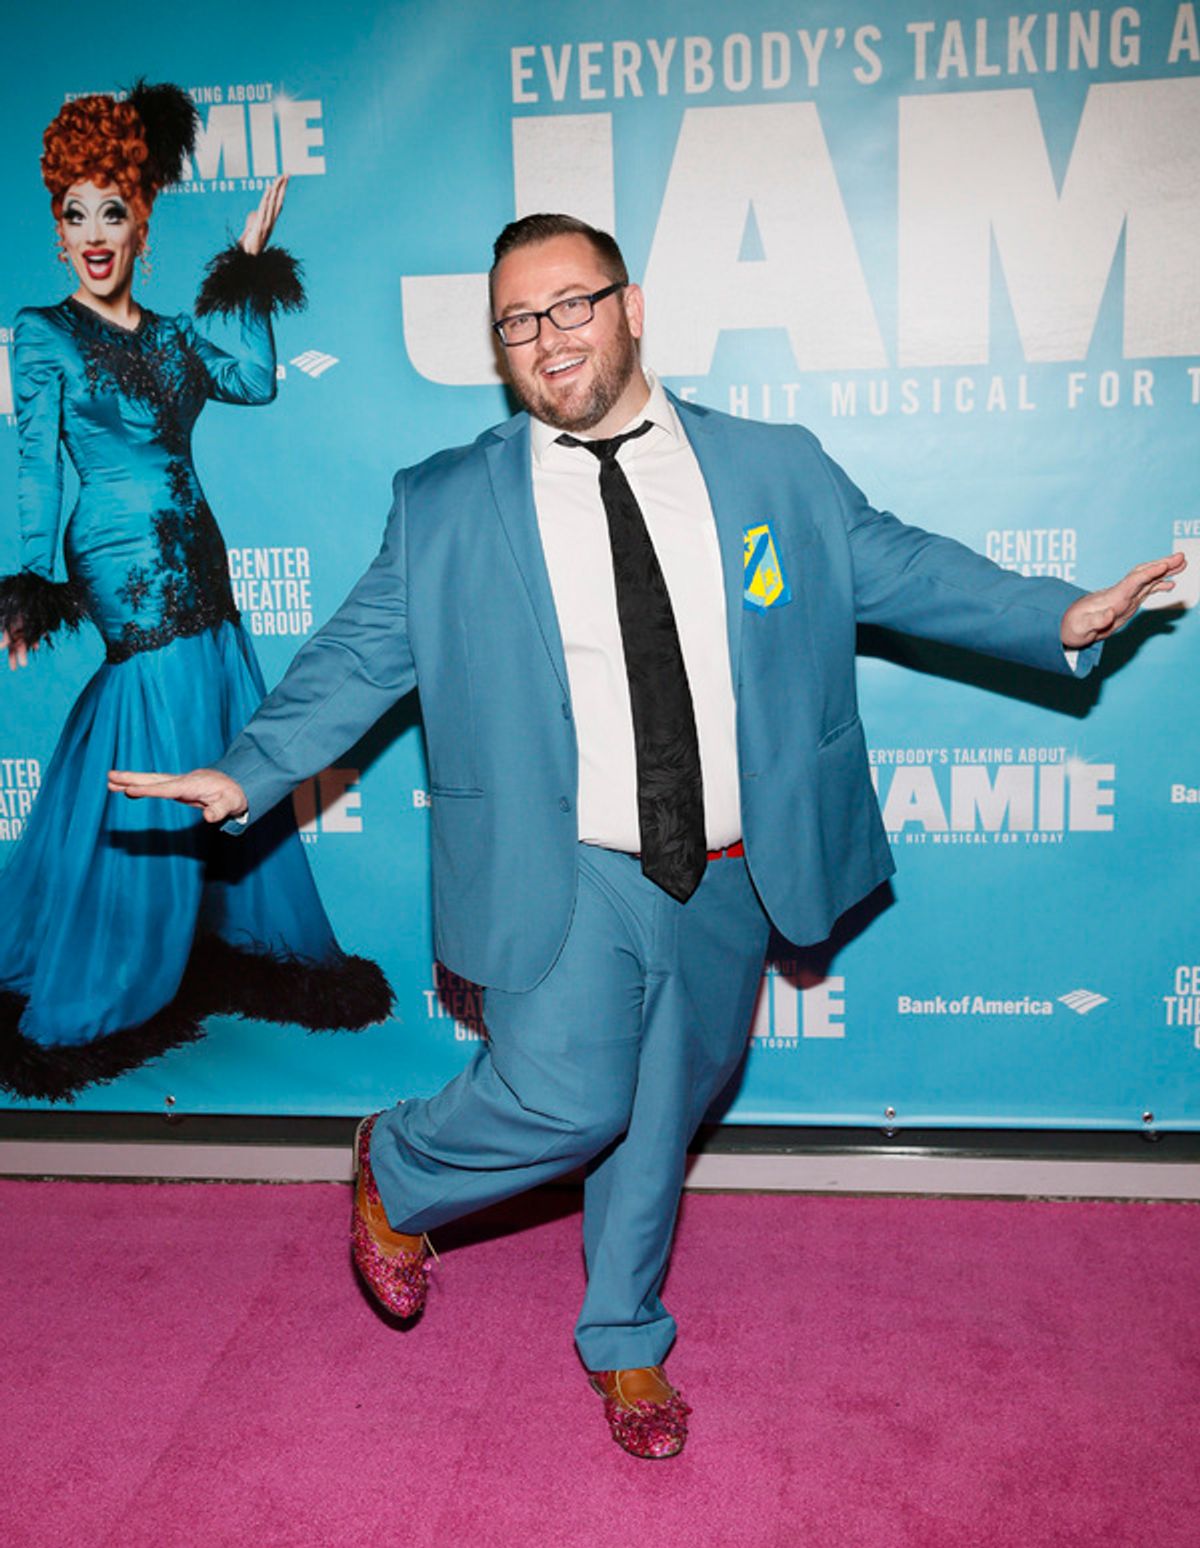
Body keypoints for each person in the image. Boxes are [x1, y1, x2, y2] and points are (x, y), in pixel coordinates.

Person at [111, 213, 1185, 1459]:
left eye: (570, 304)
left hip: (730, 858)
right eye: (518, 321)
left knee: (661, 1109)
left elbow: (902, 566)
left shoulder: (773, 468)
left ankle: (624, 1338)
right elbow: (354, 659)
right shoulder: (449, 503)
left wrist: (1058, 617)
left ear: (632, 307)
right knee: (572, 1097)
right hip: (563, 861)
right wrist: (245, 771)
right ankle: (397, 1165)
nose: (547, 338)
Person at [0, 84, 390, 1103]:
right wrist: (32, 581)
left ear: (142, 224)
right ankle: (108, 976)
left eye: (111, 212)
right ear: (56, 230)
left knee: (210, 720)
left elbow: (258, 378)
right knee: (155, 718)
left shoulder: (175, 337)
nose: (93, 233)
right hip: (119, 554)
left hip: (200, 549)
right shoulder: (42, 332)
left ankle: (211, 944)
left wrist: (248, 267)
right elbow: (36, 461)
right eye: (73, 213)